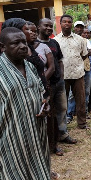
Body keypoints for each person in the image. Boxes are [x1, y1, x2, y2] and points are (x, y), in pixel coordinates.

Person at [0, 27, 52, 180]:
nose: (23, 46)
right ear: (3, 47)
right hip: (11, 140)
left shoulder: (30, 67)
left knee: (39, 174)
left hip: (36, 137)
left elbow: (40, 95)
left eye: (24, 42)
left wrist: (45, 106)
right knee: (12, 177)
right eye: (16, 43)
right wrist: (8, 115)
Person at [37, 18, 77, 152]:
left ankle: (63, 134)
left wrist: (61, 75)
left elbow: (60, 60)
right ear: (39, 27)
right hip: (45, 85)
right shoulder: (34, 44)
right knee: (49, 112)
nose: (48, 28)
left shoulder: (54, 42)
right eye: (45, 26)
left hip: (59, 82)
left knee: (62, 109)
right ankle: (50, 141)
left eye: (50, 26)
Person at [54, 15, 88, 129]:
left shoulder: (80, 39)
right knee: (62, 103)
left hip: (78, 74)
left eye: (69, 22)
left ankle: (82, 123)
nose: (67, 24)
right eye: (64, 22)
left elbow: (84, 55)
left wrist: (76, 64)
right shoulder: (55, 40)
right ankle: (62, 126)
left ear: (71, 24)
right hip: (63, 76)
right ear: (60, 23)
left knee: (81, 100)